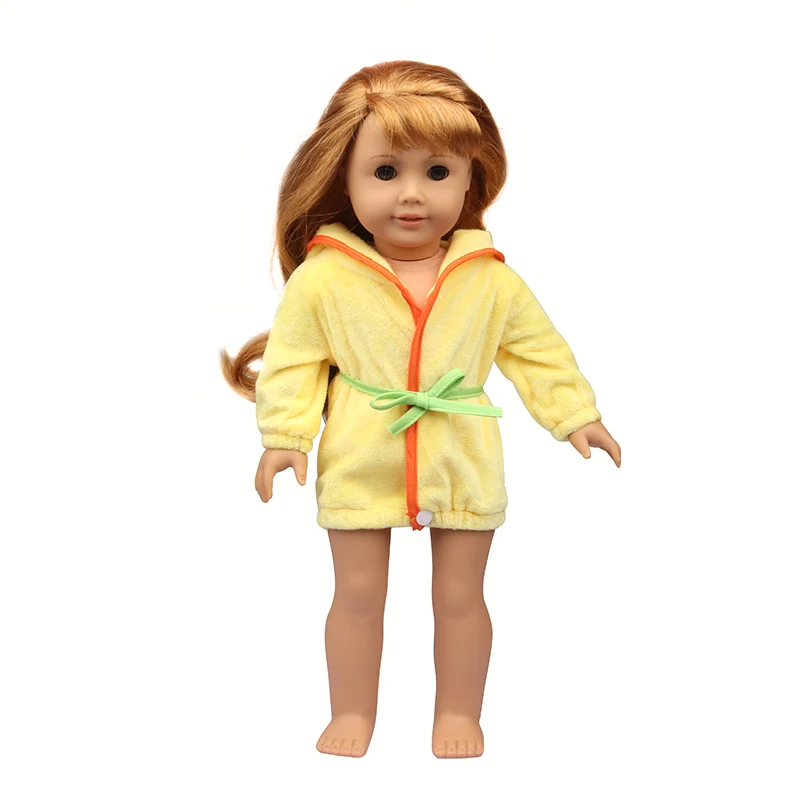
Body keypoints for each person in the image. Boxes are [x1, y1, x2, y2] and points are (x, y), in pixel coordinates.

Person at [221, 60, 621, 759]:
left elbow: (537, 352)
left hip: (462, 451)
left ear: (471, 180)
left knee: (462, 596)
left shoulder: (491, 280)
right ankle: (352, 711)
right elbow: (295, 360)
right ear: (344, 178)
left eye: (437, 172)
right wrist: (285, 436)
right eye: (385, 172)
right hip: (361, 450)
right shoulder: (323, 278)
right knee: (357, 593)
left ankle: (459, 713)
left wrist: (574, 415)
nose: (411, 194)